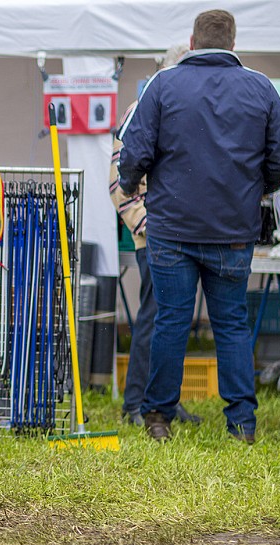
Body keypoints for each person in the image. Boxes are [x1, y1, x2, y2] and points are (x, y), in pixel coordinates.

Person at [118, 9, 280, 443]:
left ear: (192, 42)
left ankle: (158, 417)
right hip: (233, 228)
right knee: (232, 324)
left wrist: (129, 184)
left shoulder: (162, 85)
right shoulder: (260, 86)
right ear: (233, 44)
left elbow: (133, 151)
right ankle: (242, 423)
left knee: (171, 322)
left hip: (171, 229)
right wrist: (257, 188)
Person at [110, 44, 201, 427]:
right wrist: (148, 227)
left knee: (172, 321)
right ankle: (135, 402)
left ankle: (163, 401)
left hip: (181, 234)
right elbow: (118, 183)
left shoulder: (181, 110)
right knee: (154, 318)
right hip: (157, 236)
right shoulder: (141, 110)